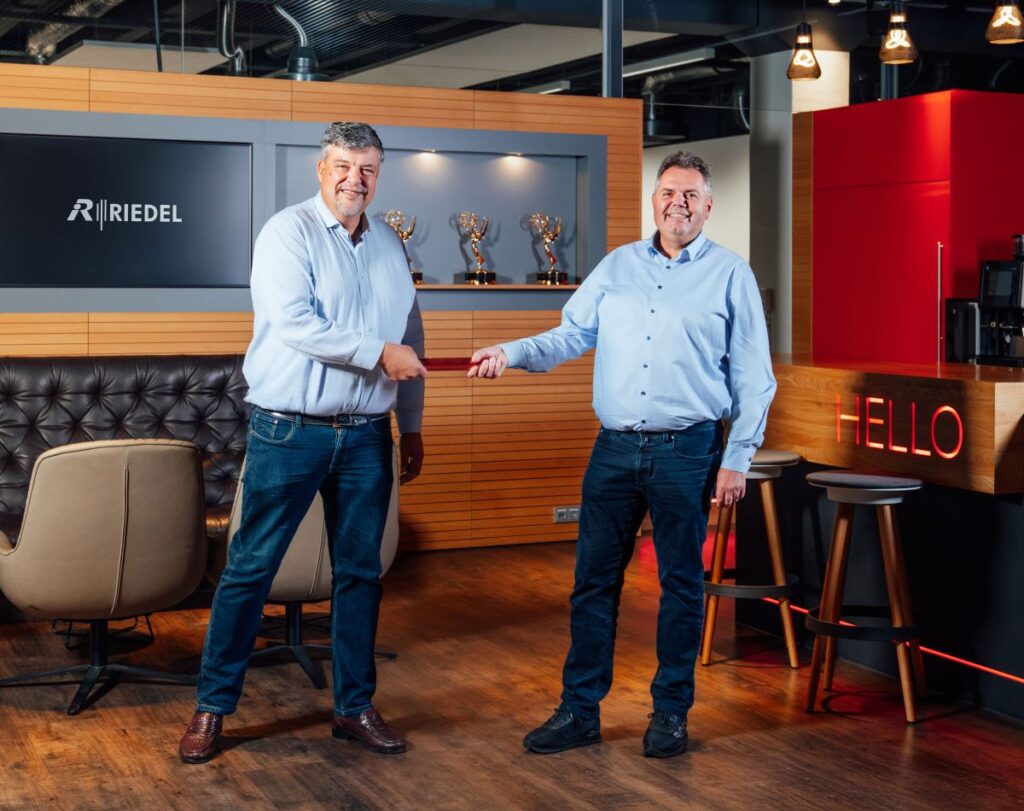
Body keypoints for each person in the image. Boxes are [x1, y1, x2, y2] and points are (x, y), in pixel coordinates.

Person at [468, 152, 775, 758]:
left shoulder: (730, 275)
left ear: (709, 207)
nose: (677, 203)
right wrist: (511, 352)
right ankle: (579, 710)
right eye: (668, 192)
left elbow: (754, 377)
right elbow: (570, 335)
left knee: (682, 587)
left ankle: (670, 714)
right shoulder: (617, 266)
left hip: (689, 450)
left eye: (690, 194)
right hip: (612, 450)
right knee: (592, 587)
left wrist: (738, 456)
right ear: (654, 200)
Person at [179, 122, 427, 764]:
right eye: (344, 165)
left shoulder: (391, 247)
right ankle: (212, 708)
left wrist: (414, 423)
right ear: (322, 169)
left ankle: (354, 708)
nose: (356, 179)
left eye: (368, 168)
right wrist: (379, 353)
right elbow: (296, 325)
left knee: (361, 576)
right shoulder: (286, 232)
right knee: (250, 570)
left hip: (369, 436)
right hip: (288, 431)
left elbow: (413, 340)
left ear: (379, 174)